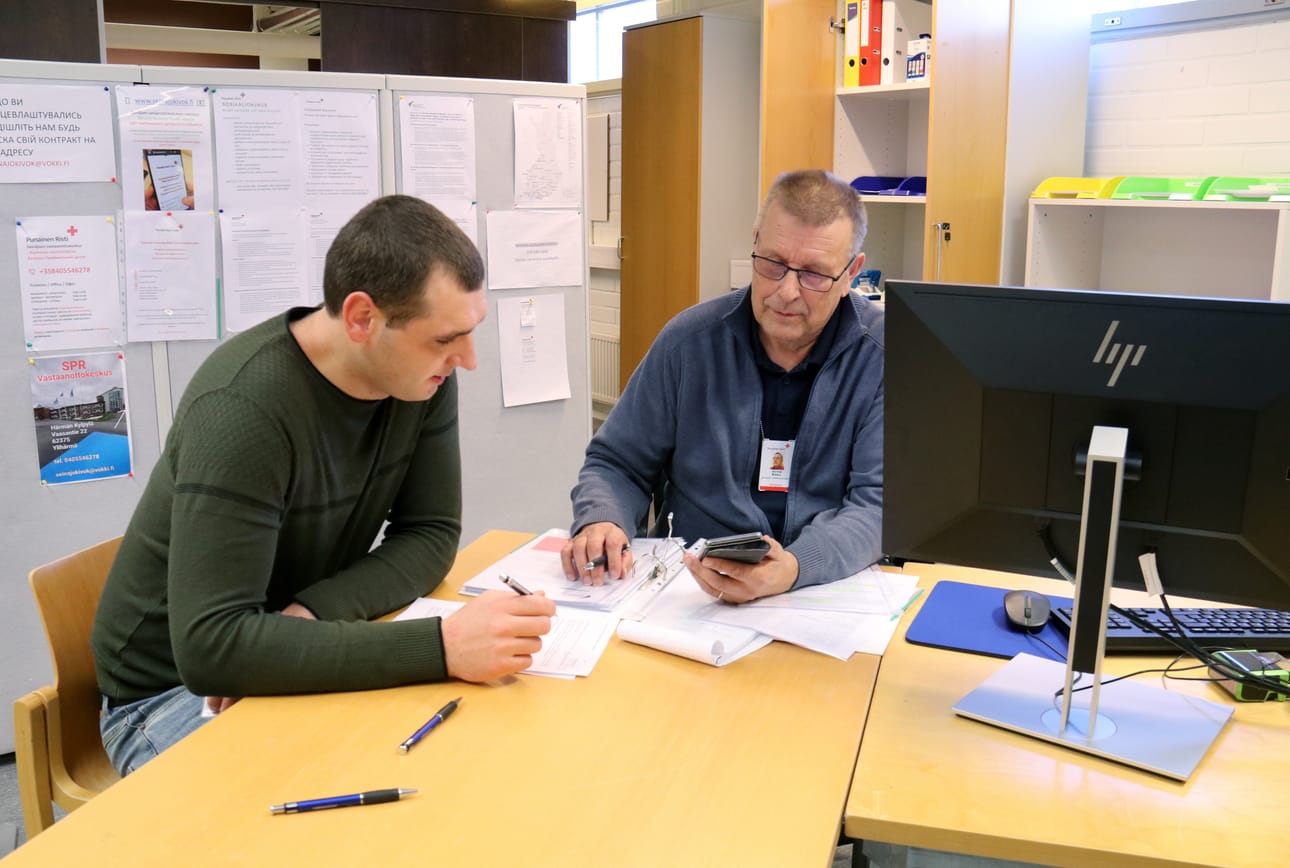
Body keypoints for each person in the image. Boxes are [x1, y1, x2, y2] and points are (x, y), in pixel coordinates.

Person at [92, 194, 555, 775]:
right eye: (444, 339)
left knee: (448, 766)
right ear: (362, 318)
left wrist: (312, 613)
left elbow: (432, 533)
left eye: (469, 332)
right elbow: (212, 649)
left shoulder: (420, 379)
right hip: (168, 693)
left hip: (283, 644)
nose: (467, 359)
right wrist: (443, 647)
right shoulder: (241, 410)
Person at [561, 169, 883, 604]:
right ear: (755, 241)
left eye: (813, 275)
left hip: (822, 592)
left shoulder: (882, 357)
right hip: (690, 589)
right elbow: (618, 463)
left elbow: (877, 505)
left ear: (851, 273)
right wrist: (603, 518)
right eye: (772, 264)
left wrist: (795, 566)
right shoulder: (689, 343)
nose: (786, 291)